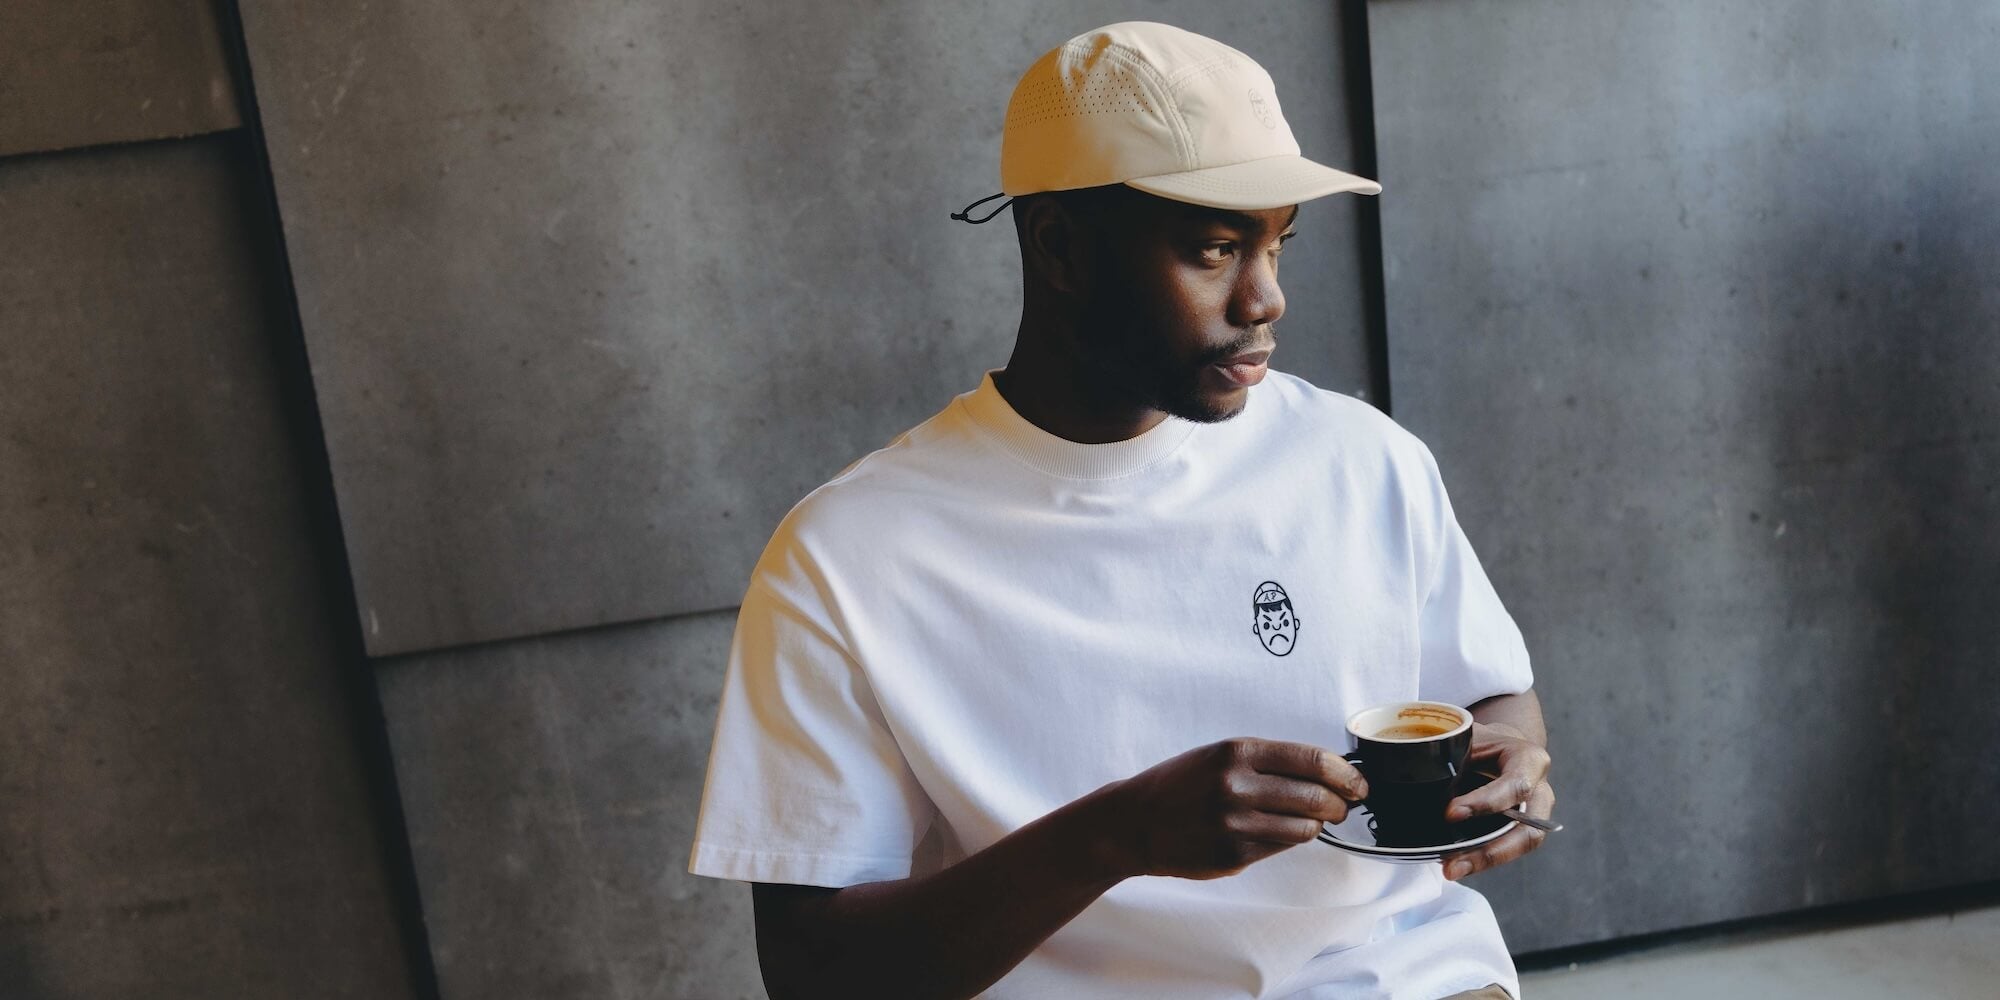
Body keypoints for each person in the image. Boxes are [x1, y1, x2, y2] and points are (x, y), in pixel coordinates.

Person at [688, 21, 1555, 1000]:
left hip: (1390, 973)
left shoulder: (1359, 459)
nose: (1264, 297)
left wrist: (1510, 764)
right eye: (1215, 247)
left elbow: (1486, 691)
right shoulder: (848, 556)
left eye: (1276, 243)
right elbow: (815, 976)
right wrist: (1115, 836)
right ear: (1058, 246)